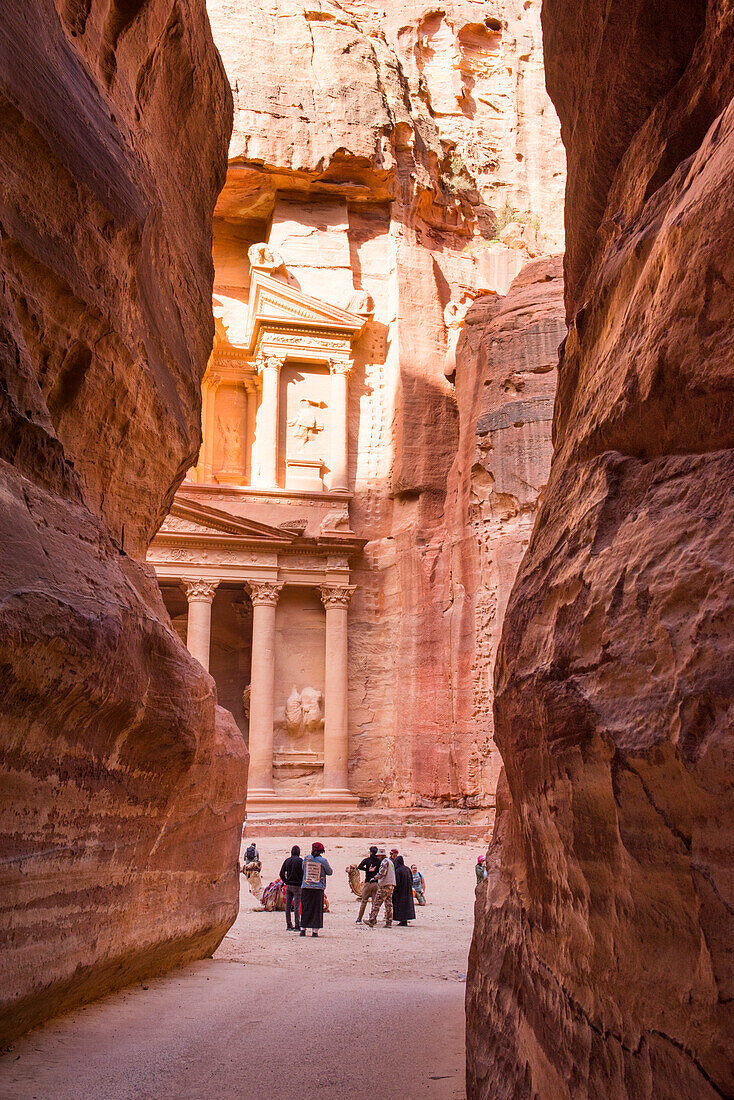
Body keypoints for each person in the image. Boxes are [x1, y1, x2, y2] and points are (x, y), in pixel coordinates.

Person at [299, 842, 332, 937]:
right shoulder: (323, 861)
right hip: (318, 889)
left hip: (306, 887)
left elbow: (303, 868)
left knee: (306, 908)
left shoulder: (306, 859)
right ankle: (315, 931)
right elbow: (329, 872)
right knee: (317, 910)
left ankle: (303, 929)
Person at [365, 847, 395, 928]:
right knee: (389, 904)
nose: (377, 857)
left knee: (376, 903)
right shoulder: (390, 862)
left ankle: (372, 920)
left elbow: (382, 873)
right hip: (391, 885)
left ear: (382, 856)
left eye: (378, 856)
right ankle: (389, 922)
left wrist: (374, 878)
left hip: (384, 885)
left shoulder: (385, 862)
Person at [279, 845, 303, 932]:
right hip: (297, 886)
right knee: (296, 907)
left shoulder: (287, 861)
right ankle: (297, 925)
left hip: (288, 886)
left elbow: (281, 873)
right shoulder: (301, 861)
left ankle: (289, 925)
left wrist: (286, 881)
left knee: (288, 906)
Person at [355, 845, 382, 923]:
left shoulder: (367, 860)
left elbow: (359, 867)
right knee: (374, 902)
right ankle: (373, 918)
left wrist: (367, 870)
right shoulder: (379, 861)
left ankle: (359, 918)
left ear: (370, 852)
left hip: (368, 883)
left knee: (364, 901)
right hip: (376, 883)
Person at [392, 855, 416, 926]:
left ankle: (401, 921)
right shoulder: (407, 869)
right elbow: (411, 880)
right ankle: (404, 921)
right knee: (406, 906)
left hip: (400, 892)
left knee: (400, 906)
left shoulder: (398, 870)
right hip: (408, 891)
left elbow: (397, 882)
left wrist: (394, 891)